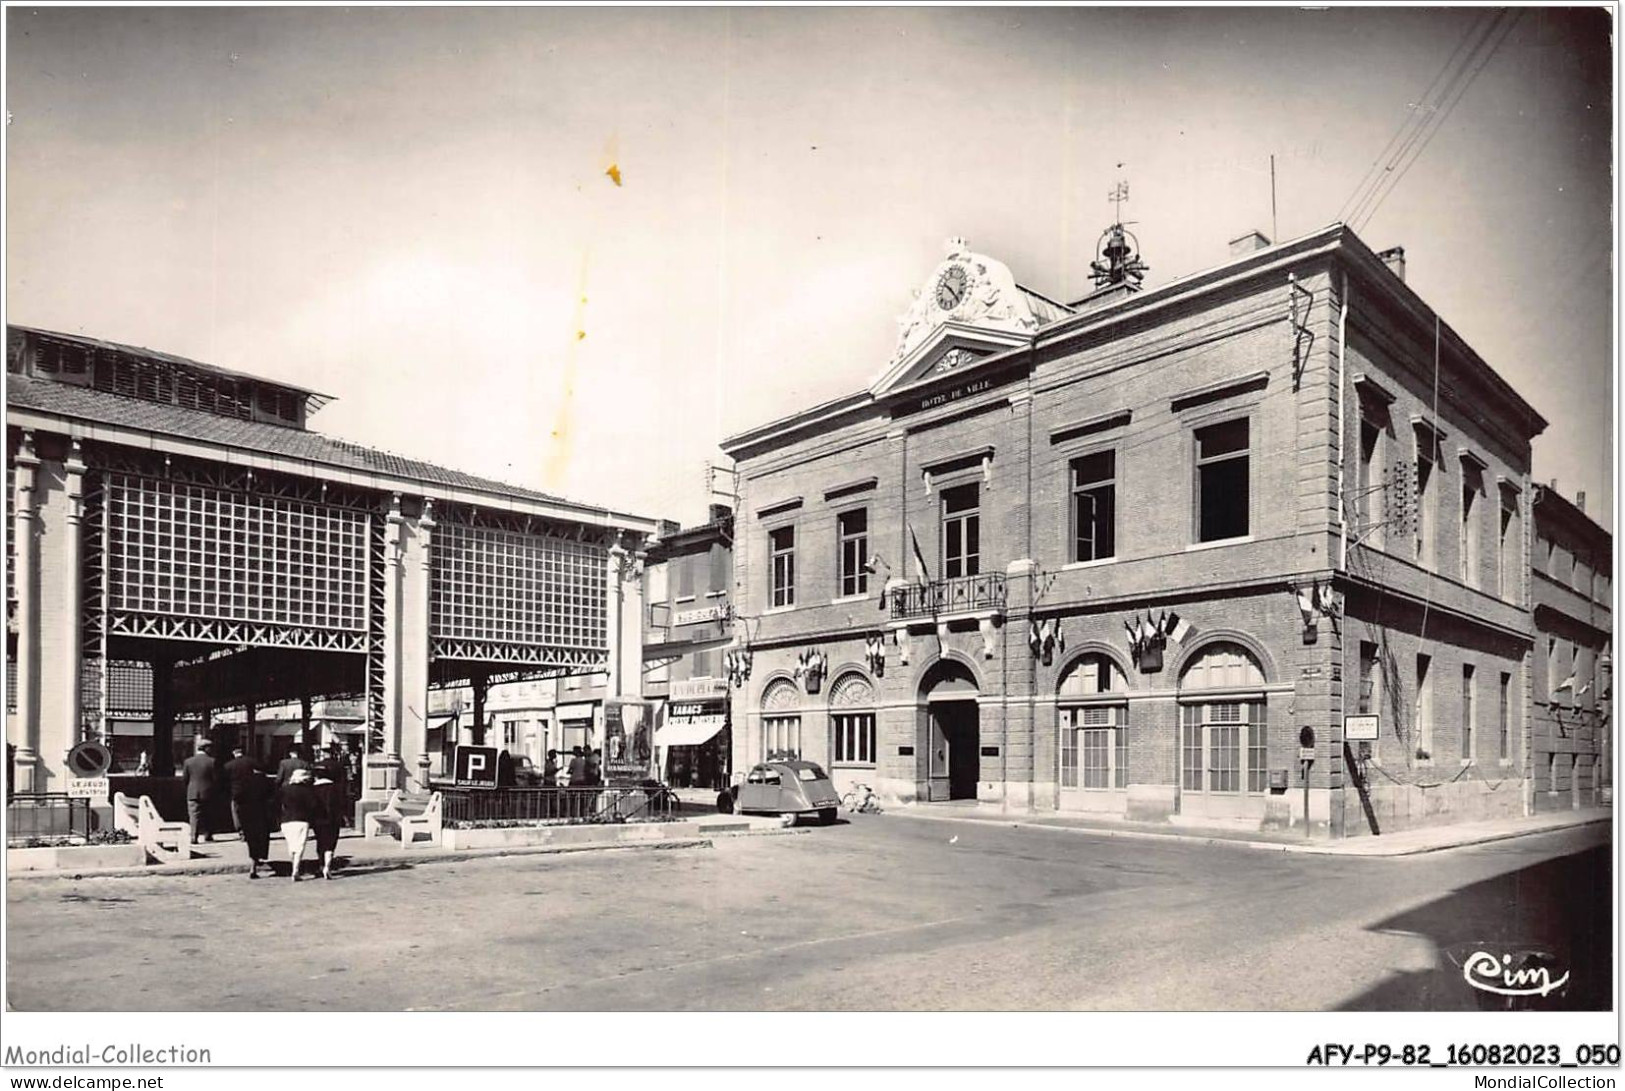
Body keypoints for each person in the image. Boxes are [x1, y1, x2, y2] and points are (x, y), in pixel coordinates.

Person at [223, 746, 270, 879]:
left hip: (239, 797)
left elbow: (224, 781)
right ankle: (258, 857)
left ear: (233, 753)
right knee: (260, 833)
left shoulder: (228, 765)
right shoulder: (253, 764)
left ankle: (241, 832)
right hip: (259, 808)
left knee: (238, 816)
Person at [278, 767, 320, 882]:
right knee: (300, 845)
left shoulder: (284, 789)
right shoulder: (308, 791)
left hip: (286, 820)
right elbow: (313, 805)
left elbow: (277, 803)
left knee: (291, 844)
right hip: (302, 820)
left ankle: (293, 863)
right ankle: (295, 869)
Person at [310, 760, 345, 880]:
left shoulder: (313, 789)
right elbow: (340, 804)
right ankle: (327, 867)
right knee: (330, 843)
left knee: (320, 842)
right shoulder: (335, 788)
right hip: (333, 820)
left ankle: (320, 865)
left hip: (318, 820)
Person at [181, 739, 220, 843]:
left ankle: (194, 837)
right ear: (206, 748)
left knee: (194, 816)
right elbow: (216, 778)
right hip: (208, 792)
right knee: (209, 814)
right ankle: (208, 835)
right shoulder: (212, 761)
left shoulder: (188, 761)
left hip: (193, 792)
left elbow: (185, 779)